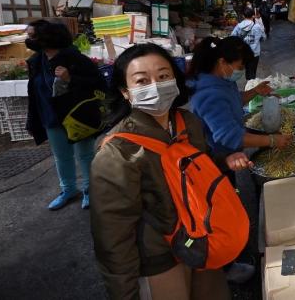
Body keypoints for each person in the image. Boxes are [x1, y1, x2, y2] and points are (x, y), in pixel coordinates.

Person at [90, 43, 253, 300]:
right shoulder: (117, 152)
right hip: (160, 257)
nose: (155, 86)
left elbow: (200, 165)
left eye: (163, 76)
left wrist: (225, 160)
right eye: (142, 81)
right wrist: (125, 294)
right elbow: (113, 237)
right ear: (125, 92)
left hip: (201, 237)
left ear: (175, 81)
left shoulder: (186, 123)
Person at [25, 20, 105, 210]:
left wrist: (71, 79)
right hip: (50, 116)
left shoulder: (76, 59)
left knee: (85, 154)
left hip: (77, 115)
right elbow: (35, 90)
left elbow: (99, 83)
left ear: (47, 37)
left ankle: (89, 190)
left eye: (32, 36)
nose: (28, 40)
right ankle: (68, 189)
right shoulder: (37, 60)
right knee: (61, 156)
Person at [189, 36, 293, 153]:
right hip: (219, 158)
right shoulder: (208, 95)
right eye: (240, 67)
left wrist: (255, 91)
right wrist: (272, 140)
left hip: (233, 152)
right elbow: (229, 136)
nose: (241, 72)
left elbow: (234, 101)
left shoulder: (223, 80)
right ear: (222, 62)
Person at [231, 6, 266, 80]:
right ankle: (251, 86)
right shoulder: (257, 26)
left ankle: (249, 84)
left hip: (243, 53)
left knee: (247, 70)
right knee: (252, 72)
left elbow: (232, 37)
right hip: (255, 53)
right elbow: (264, 37)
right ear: (253, 16)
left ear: (243, 16)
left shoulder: (238, 26)